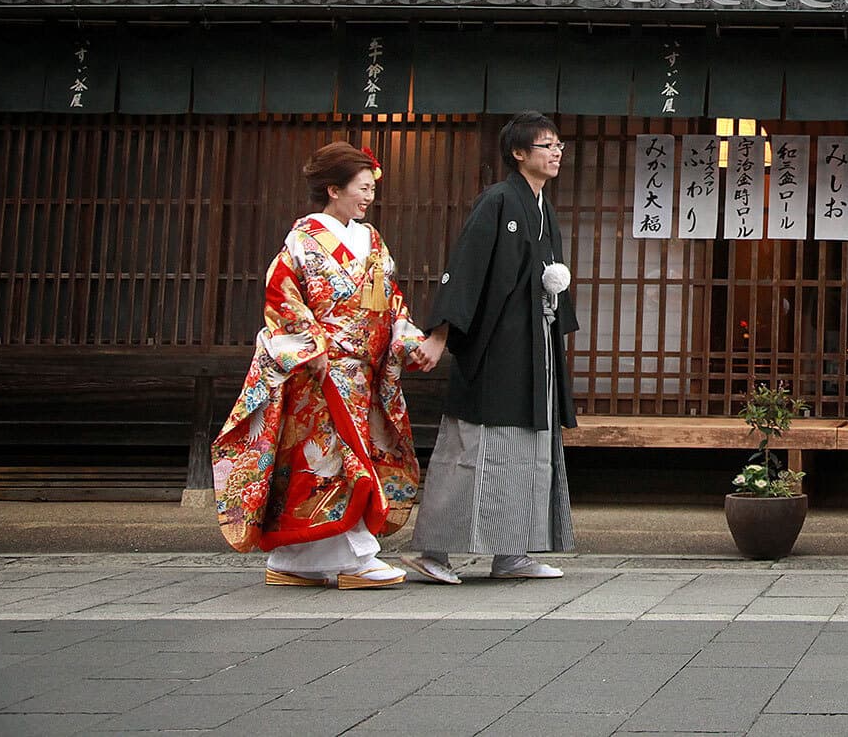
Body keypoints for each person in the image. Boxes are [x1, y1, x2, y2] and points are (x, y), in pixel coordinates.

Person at [212, 142, 430, 587]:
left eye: (371, 188)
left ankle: (296, 560)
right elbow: (282, 299)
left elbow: (392, 302)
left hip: (363, 372)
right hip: (321, 372)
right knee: (332, 462)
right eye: (361, 188)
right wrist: (312, 350)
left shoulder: (371, 240)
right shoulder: (304, 240)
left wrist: (407, 338)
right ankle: (356, 556)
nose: (368, 198)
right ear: (334, 189)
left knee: (337, 461)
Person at [400, 112, 577, 583]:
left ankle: (512, 552)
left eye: (559, 144)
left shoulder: (541, 206)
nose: (556, 152)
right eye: (546, 145)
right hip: (495, 348)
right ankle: (433, 551)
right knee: (474, 444)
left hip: (533, 348)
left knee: (528, 447)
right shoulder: (498, 200)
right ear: (519, 153)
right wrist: (440, 336)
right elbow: (467, 267)